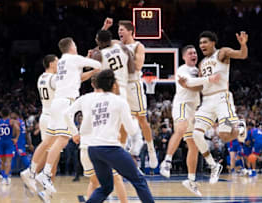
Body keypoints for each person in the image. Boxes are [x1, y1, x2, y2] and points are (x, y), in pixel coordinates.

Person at [64, 70, 154, 203]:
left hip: (92, 149)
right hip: (110, 148)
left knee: (106, 187)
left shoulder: (89, 99)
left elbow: (67, 113)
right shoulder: (119, 101)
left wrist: (75, 133)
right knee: (139, 180)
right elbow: (131, 130)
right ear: (113, 85)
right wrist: (135, 120)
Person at [179, 31, 248, 183]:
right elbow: (199, 86)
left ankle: (239, 127)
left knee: (224, 134)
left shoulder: (222, 53)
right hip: (207, 101)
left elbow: (242, 55)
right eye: (200, 43)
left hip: (222, 97)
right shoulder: (201, 63)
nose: (202, 45)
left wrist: (243, 45)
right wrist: (186, 85)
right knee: (196, 134)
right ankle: (213, 165)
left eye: (205, 42)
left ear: (213, 43)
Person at [35, 38, 101, 195]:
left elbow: (75, 75)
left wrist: (84, 62)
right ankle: (44, 174)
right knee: (61, 141)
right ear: (72, 47)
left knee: (51, 144)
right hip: (64, 103)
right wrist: (90, 61)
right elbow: (96, 66)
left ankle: (37, 176)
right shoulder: (68, 63)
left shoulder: (62, 64)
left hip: (54, 107)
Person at [159, 45, 219, 196]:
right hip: (182, 105)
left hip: (194, 109)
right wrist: (207, 79)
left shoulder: (198, 71)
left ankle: (191, 181)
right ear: (184, 56)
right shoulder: (182, 69)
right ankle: (167, 162)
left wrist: (206, 79)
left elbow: (198, 87)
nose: (194, 55)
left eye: (195, 53)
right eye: (190, 53)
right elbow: (191, 84)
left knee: (193, 146)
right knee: (180, 128)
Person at [102, 18, 158, 169]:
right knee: (121, 122)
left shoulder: (138, 46)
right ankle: (119, 156)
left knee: (141, 119)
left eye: (122, 30)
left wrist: (125, 54)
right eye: (118, 30)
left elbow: (139, 66)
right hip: (119, 86)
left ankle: (151, 151)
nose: (119, 32)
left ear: (130, 31)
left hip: (133, 85)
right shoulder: (116, 45)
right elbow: (102, 42)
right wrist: (105, 27)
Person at [76, 74, 128, 203]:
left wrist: (74, 133)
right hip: (104, 144)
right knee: (116, 178)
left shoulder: (86, 99)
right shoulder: (112, 99)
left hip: (86, 145)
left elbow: (70, 114)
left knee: (94, 182)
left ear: (93, 84)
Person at [21, 54, 60, 200]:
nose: (59, 64)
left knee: (51, 154)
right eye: (57, 62)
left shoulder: (41, 78)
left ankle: (41, 185)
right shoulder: (53, 79)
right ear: (50, 64)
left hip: (45, 116)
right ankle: (31, 173)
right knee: (53, 155)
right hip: (52, 118)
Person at [0, 108, 20, 185]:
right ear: (9, 114)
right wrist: (16, 138)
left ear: (1, 114)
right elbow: (18, 129)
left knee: (2, 162)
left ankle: (3, 177)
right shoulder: (11, 121)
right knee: (8, 161)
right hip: (9, 142)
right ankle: (6, 178)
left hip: (1, 142)